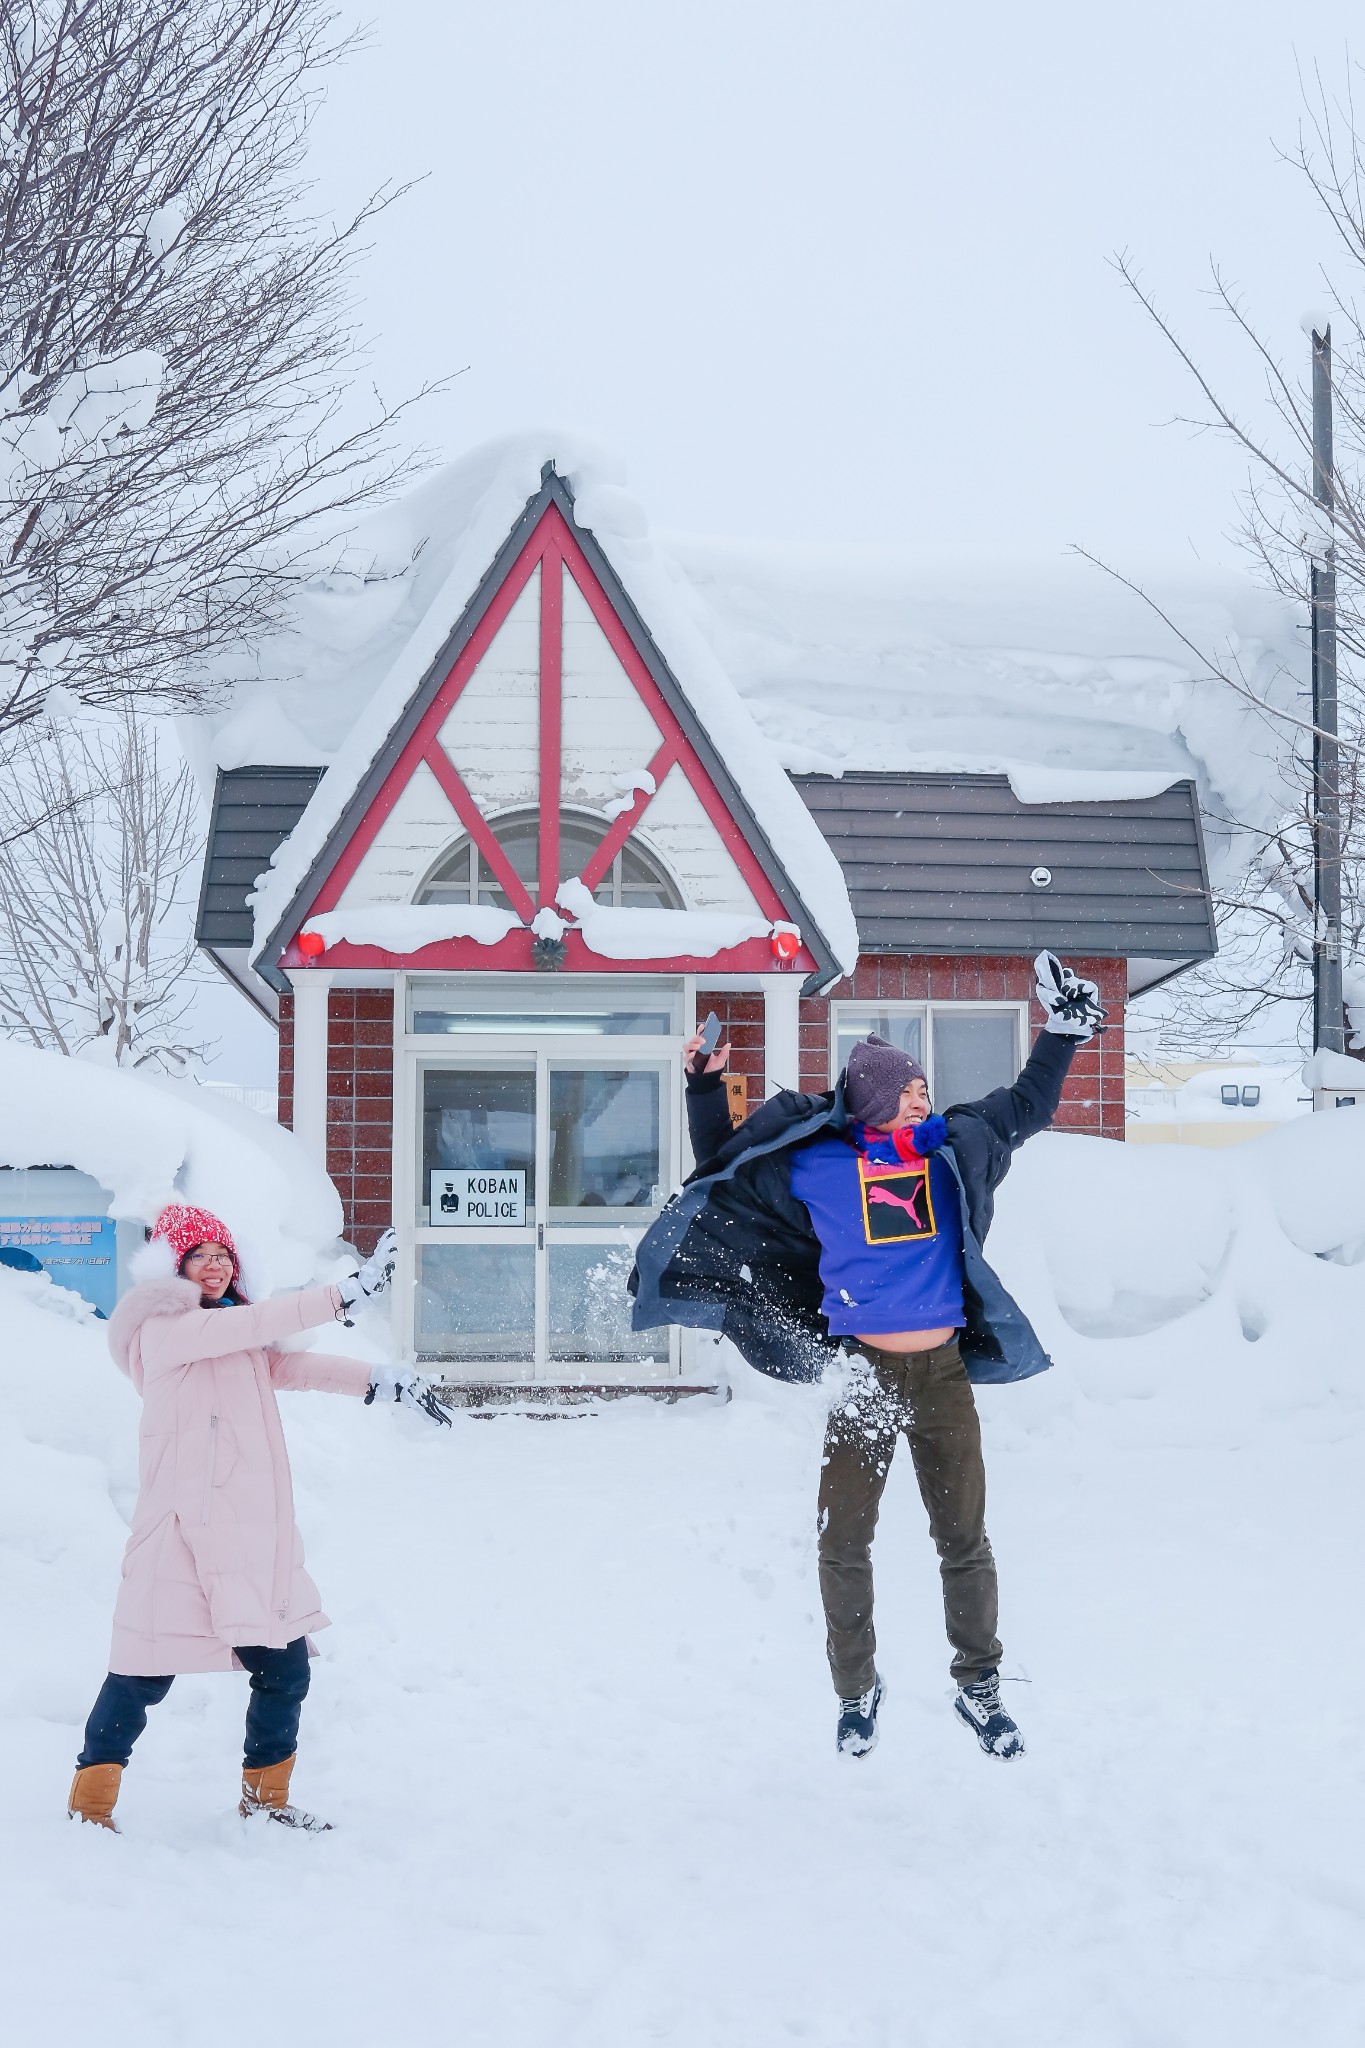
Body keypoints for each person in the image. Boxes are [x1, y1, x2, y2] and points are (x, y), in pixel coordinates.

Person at [630, 953, 1106, 1759]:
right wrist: (704, 1086)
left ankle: (979, 1686)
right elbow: (726, 1170)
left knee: (963, 1537)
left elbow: (1025, 1105)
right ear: (874, 1101)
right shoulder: (817, 1163)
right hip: (863, 1378)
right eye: (908, 1088)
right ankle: (857, 1691)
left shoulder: (953, 1149)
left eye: (922, 1086)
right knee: (842, 1541)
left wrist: (1061, 1029)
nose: (922, 1093)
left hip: (943, 1374)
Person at [67, 1203, 448, 1834]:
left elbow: (289, 1365)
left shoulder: (231, 1333)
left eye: (223, 1258)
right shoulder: (166, 1330)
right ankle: (91, 1805)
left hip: (248, 1540)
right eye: (199, 1258)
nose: (214, 1269)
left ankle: (265, 1802)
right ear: (173, 1268)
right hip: (181, 1534)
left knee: (286, 1668)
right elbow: (260, 1323)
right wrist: (346, 1293)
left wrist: (378, 1379)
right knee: (141, 1674)